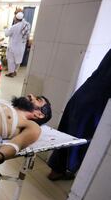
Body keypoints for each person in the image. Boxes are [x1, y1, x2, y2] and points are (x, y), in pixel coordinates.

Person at [47, 48, 111, 180]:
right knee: (82, 138)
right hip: (97, 101)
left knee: (68, 131)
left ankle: (57, 169)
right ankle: (69, 169)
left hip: (84, 94)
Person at [4, 11, 30, 77]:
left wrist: (5, 28)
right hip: (21, 47)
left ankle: (11, 73)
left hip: (13, 47)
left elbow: (7, 34)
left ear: (16, 18)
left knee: (11, 60)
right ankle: (15, 71)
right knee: (18, 60)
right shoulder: (26, 25)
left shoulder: (14, 26)